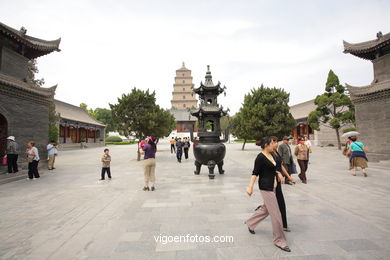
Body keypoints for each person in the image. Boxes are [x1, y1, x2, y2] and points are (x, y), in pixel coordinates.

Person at [245, 136, 291, 252]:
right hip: (266, 188)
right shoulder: (260, 157)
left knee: (266, 209)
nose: (275, 145)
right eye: (273, 143)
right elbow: (255, 173)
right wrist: (250, 187)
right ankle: (279, 240)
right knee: (276, 214)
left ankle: (250, 223)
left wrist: (279, 174)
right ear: (266, 145)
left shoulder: (272, 155)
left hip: (273, 186)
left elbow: (274, 168)